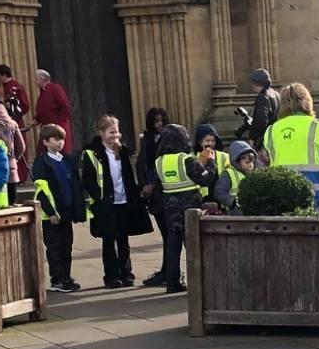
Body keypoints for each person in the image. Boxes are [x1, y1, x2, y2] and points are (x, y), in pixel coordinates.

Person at [81, 115, 153, 288]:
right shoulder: (92, 153)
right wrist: (99, 196)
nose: (115, 135)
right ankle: (112, 276)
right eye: (111, 132)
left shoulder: (122, 151)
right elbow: (88, 179)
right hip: (105, 203)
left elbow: (127, 176)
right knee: (109, 240)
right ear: (101, 132)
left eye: (117, 132)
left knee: (123, 240)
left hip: (123, 200)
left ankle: (126, 273)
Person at [155, 123, 217, 293]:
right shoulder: (185, 159)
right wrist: (210, 161)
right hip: (190, 206)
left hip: (170, 208)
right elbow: (204, 179)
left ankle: (172, 282)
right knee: (193, 246)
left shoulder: (159, 161)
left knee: (172, 246)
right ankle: (198, 281)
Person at [263, 82, 319, 212]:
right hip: (318, 198)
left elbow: (270, 164)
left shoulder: (272, 130)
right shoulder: (317, 126)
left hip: (282, 197)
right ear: (307, 101)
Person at [32, 124, 85, 293]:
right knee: (54, 247)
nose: (60, 142)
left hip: (66, 210)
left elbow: (75, 185)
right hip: (52, 214)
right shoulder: (42, 162)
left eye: (62, 138)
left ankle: (66, 276)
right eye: (56, 139)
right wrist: (50, 212)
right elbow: (41, 189)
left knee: (66, 245)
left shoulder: (67, 160)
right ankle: (57, 279)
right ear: (46, 141)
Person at [0, 96, 27, 203]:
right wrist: (14, 159)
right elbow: (21, 147)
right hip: (11, 171)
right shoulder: (12, 123)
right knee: (11, 206)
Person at [213, 140, 258, 214]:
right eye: (247, 162)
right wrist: (233, 202)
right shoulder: (228, 174)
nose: (251, 165)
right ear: (236, 162)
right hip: (235, 213)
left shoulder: (255, 174)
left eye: (252, 162)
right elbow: (219, 192)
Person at [33, 70, 74, 148]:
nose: (35, 81)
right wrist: (38, 119)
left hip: (57, 129)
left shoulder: (55, 89)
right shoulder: (43, 91)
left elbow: (65, 107)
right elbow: (44, 108)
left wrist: (58, 123)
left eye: (36, 79)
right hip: (47, 130)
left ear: (42, 78)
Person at [248, 68, 280, 148]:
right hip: (276, 135)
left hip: (265, 138)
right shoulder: (276, 94)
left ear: (256, 83)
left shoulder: (262, 97)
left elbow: (261, 120)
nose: (252, 85)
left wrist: (253, 137)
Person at [0, 64, 31, 129]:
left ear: (4, 75)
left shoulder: (17, 87)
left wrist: (14, 115)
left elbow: (25, 105)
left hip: (15, 121)